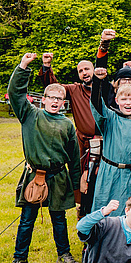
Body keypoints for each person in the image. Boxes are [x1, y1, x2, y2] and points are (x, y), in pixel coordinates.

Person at [6, 53, 81, 263]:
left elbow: (74, 158)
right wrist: (23, 66)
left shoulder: (68, 125)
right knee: (27, 219)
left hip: (58, 177)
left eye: (60, 99)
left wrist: (77, 186)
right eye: (52, 98)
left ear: (63, 102)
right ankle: (20, 259)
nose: (56, 101)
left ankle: (64, 254)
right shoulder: (29, 114)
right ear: (43, 99)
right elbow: (15, 93)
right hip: (34, 177)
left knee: (59, 218)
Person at [89, 67, 131, 216]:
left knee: (130, 212)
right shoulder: (109, 119)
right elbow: (96, 102)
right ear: (116, 100)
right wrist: (98, 80)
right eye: (124, 99)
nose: (128, 103)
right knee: (105, 210)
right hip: (109, 173)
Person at [39, 49, 97, 216]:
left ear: (93, 69)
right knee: (81, 181)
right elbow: (54, 89)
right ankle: (83, 213)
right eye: (80, 71)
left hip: (105, 142)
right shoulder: (74, 90)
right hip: (83, 143)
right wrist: (47, 66)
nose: (84, 73)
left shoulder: (104, 88)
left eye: (87, 69)